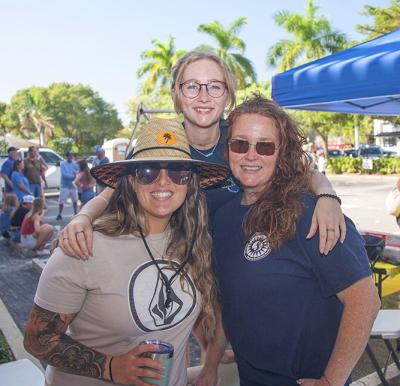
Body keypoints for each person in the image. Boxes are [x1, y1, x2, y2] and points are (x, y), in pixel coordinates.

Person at [58, 51, 345, 261]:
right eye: (192, 86)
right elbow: (113, 193)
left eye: (215, 86)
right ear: (177, 95)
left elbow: (302, 169)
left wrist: (327, 197)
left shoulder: (241, 141)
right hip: (176, 258)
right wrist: (83, 218)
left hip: (240, 257)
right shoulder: (161, 143)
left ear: (228, 95)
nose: (204, 96)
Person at [24, 118, 230, 386]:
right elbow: (37, 339)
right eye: (147, 171)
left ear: (191, 182)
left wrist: (211, 361)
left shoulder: (193, 242)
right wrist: (112, 367)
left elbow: (201, 311)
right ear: (131, 181)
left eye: (178, 172)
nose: (163, 181)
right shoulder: (85, 246)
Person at [211, 95, 380, 386]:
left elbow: (364, 301)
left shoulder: (311, 214)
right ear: (228, 150)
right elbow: (229, 300)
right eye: (240, 144)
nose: (251, 155)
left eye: (265, 146)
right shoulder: (222, 218)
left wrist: (329, 384)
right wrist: (211, 363)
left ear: (282, 152)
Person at [56, 150, 78, 220]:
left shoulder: (75, 164)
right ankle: (59, 214)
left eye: (72, 155)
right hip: (64, 185)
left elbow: (77, 172)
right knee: (61, 201)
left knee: (75, 200)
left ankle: (75, 212)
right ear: (67, 156)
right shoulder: (62, 164)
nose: (71, 157)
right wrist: (73, 176)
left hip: (73, 185)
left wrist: (75, 175)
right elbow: (64, 175)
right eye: (69, 155)